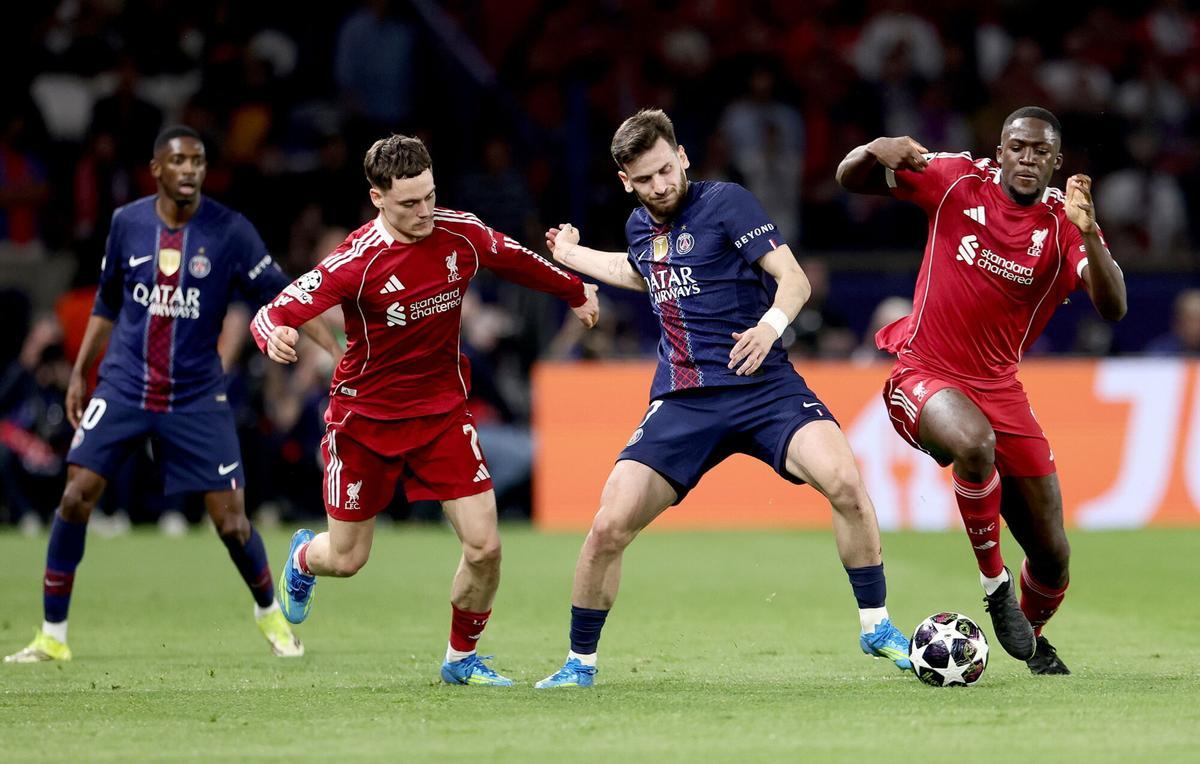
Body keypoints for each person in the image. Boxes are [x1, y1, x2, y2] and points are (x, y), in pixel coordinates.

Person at [533, 108, 912, 689]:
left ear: (682, 156)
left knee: (845, 482)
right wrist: (572, 256)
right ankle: (578, 664)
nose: (660, 186)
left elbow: (795, 279)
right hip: (685, 400)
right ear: (626, 183)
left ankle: (877, 625)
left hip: (765, 386)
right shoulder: (641, 227)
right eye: (645, 179)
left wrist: (770, 326)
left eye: (666, 170)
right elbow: (639, 271)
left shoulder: (726, 203)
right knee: (609, 525)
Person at [253, 134, 599, 687]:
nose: (423, 212)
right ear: (377, 198)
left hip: (441, 412)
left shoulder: (457, 231)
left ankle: (460, 658)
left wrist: (574, 290)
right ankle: (301, 559)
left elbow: (512, 257)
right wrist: (274, 336)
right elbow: (276, 310)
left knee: (485, 547)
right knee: (346, 558)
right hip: (365, 420)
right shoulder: (356, 262)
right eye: (409, 203)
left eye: (430, 197)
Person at [4, 126, 340, 664]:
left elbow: (284, 294)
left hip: (195, 394)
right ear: (156, 169)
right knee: (74, 497)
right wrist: (78, 374)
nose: (189, 169)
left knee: (231, 522)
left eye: (199, 161)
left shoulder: (229, 230)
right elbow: (107, 303)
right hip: (124, 384)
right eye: (179, 161)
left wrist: (336, 348)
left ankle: (269, 613)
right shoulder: (127, 223)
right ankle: (52, 635)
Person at [836, 106, 1127, 674]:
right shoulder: (956, 180)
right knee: (973, 443)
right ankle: (993, 584)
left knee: (1053, 555)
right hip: (924, 372)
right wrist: (877, 145)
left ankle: (1031, 636)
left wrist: (1090, 232)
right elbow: (850, 178)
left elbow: (1113, 306)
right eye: (1018, 147)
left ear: (1057, 162)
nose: (1027, 158)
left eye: (1041, 152)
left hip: (1001, 388)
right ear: (1001, 149)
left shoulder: (1064, 221)